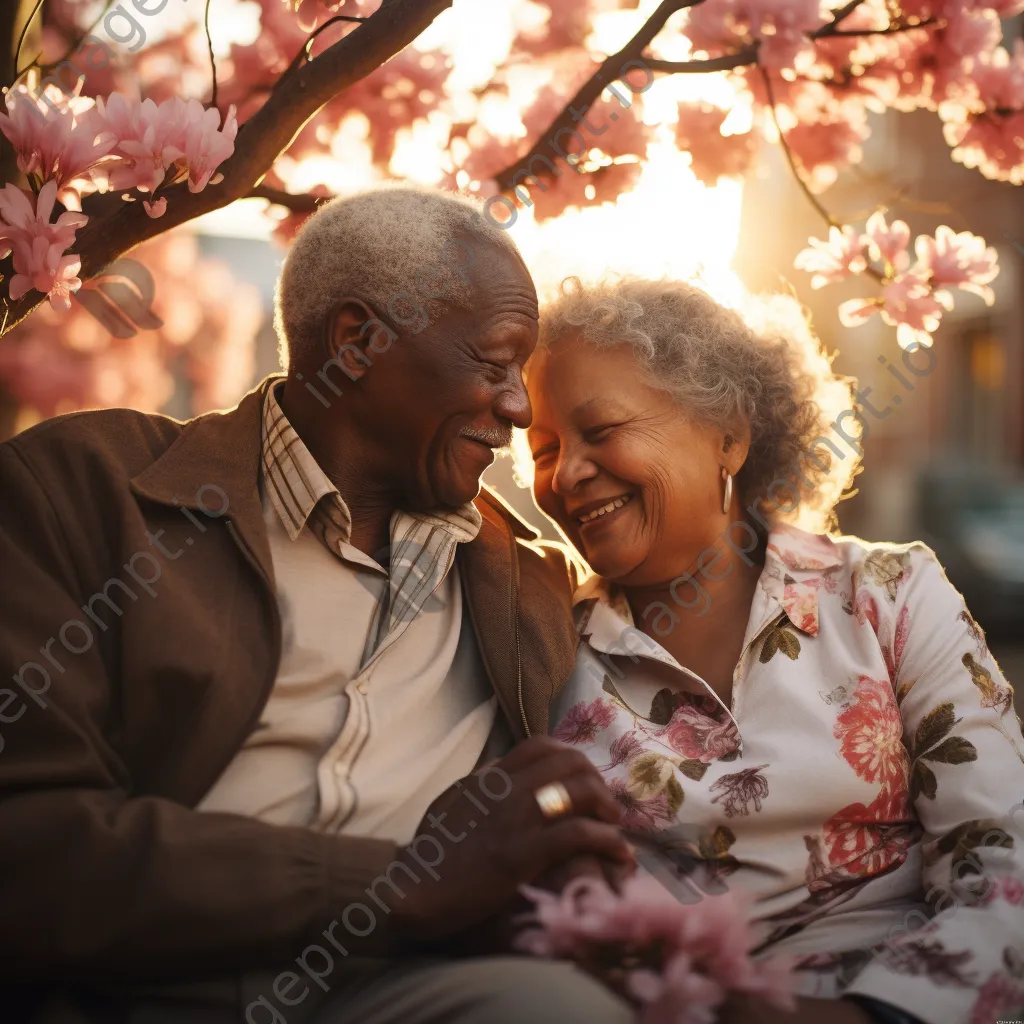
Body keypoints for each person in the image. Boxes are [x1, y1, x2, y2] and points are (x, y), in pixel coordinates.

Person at [0, 188, 636, 1024]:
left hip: (403, 995)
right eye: (493, 363)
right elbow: (28, 847)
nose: (519, 407)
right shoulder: (79, 490)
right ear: (358, 340)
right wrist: (399, 883)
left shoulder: (532, 579)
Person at [522, 275, 1024, 1024]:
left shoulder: (890, 596)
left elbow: (1003, 864)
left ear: (729, 434)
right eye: (544, 448)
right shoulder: (548, 647)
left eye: (601, 431)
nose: (565, 474)